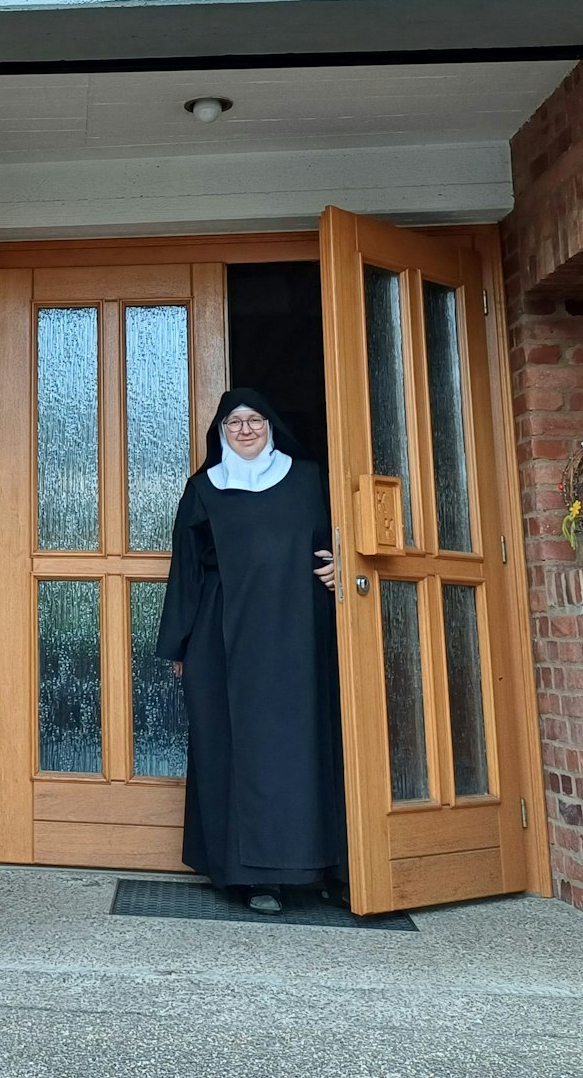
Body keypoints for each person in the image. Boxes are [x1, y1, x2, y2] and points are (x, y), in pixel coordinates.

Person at [155, 388, 347, 914]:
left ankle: (326, 865)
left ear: (271, 425)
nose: (245, 429)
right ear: (221, 431)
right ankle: (252, 876)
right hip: (223, 639)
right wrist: (180, 644)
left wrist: (341, 567)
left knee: (305, 746)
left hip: (301, 635)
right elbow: (186, 569)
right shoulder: (204, 489)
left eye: (255, 419)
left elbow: (345, 539)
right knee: (234, 749)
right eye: (234, 421)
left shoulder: (309, 479)